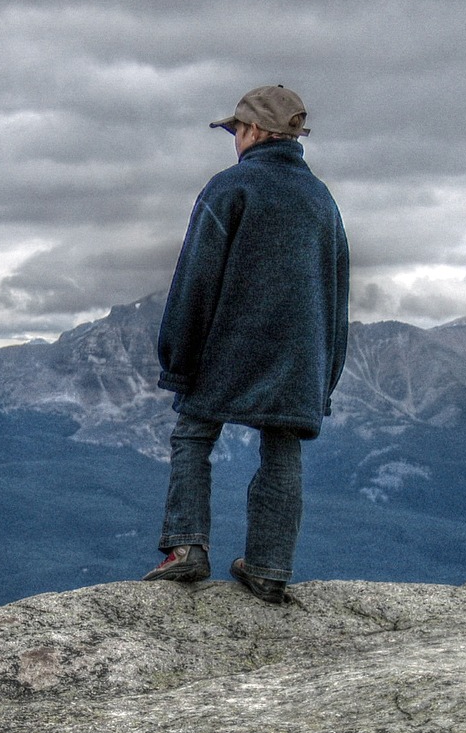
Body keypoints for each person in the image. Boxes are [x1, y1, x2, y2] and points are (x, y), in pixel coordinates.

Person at [143, 85, 349, 602]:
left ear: (254, 131)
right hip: (300, 353)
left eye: (236, 130)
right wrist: (325, 375)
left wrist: (179, 360)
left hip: (229, 344)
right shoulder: (322, 200)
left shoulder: (230, 188)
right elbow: (336, 293)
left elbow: (196, 279)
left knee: (194, 430)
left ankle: (186, 547)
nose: (234, 139)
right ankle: (268, 567)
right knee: (282, 447)